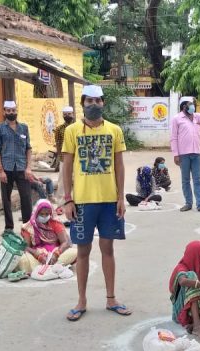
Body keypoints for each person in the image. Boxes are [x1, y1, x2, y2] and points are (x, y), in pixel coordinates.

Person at [60, 85, 131, 321]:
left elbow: (119, 166)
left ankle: (111, 299)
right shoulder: (72, 132)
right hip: (82, 202)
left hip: (109, 201)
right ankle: (81, 301)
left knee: (108, 249)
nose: (93, 105)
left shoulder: (114, 130)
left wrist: (121, 197)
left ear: (103, 103)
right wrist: (67, 199)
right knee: (82, 252)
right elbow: (67, 166)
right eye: (89, 101)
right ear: (82, 103)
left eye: (98, 101)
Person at [0, 100, 34, 236]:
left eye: (14, 110)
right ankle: (9, 227)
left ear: (16, 111)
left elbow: (28, 148)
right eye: (9, 111)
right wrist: (0, 170)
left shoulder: (24, 128)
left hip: (22, 167)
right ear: (4, 112)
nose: (12, 113)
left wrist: (29, 168)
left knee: (26, 198)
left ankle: (27, 227)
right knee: (6, 199)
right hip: (7, 168)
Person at [17, 199, 76, 273]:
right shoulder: (29, 227)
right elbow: (26, 247)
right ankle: (50, 267)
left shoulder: (55, 223)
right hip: (36, 256)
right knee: (22, 260)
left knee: (76, 252)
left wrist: (56, 254)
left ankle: (41, 268)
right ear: (36, 213)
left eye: (47, 214)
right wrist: (38, 255)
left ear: (50, 214)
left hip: (55, 253)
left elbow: (65, 242)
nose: (44, 216)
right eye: (41, 214)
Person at [53, 106, 76, 172]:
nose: (67, 116)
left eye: (69, 114)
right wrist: (60, 156)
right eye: (65, 114)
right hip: (64, 157)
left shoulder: (78, 127)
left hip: (77, 157)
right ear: (63, 116)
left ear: (73, 114)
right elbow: (58, 143)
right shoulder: (59, 129)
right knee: (63, 178)